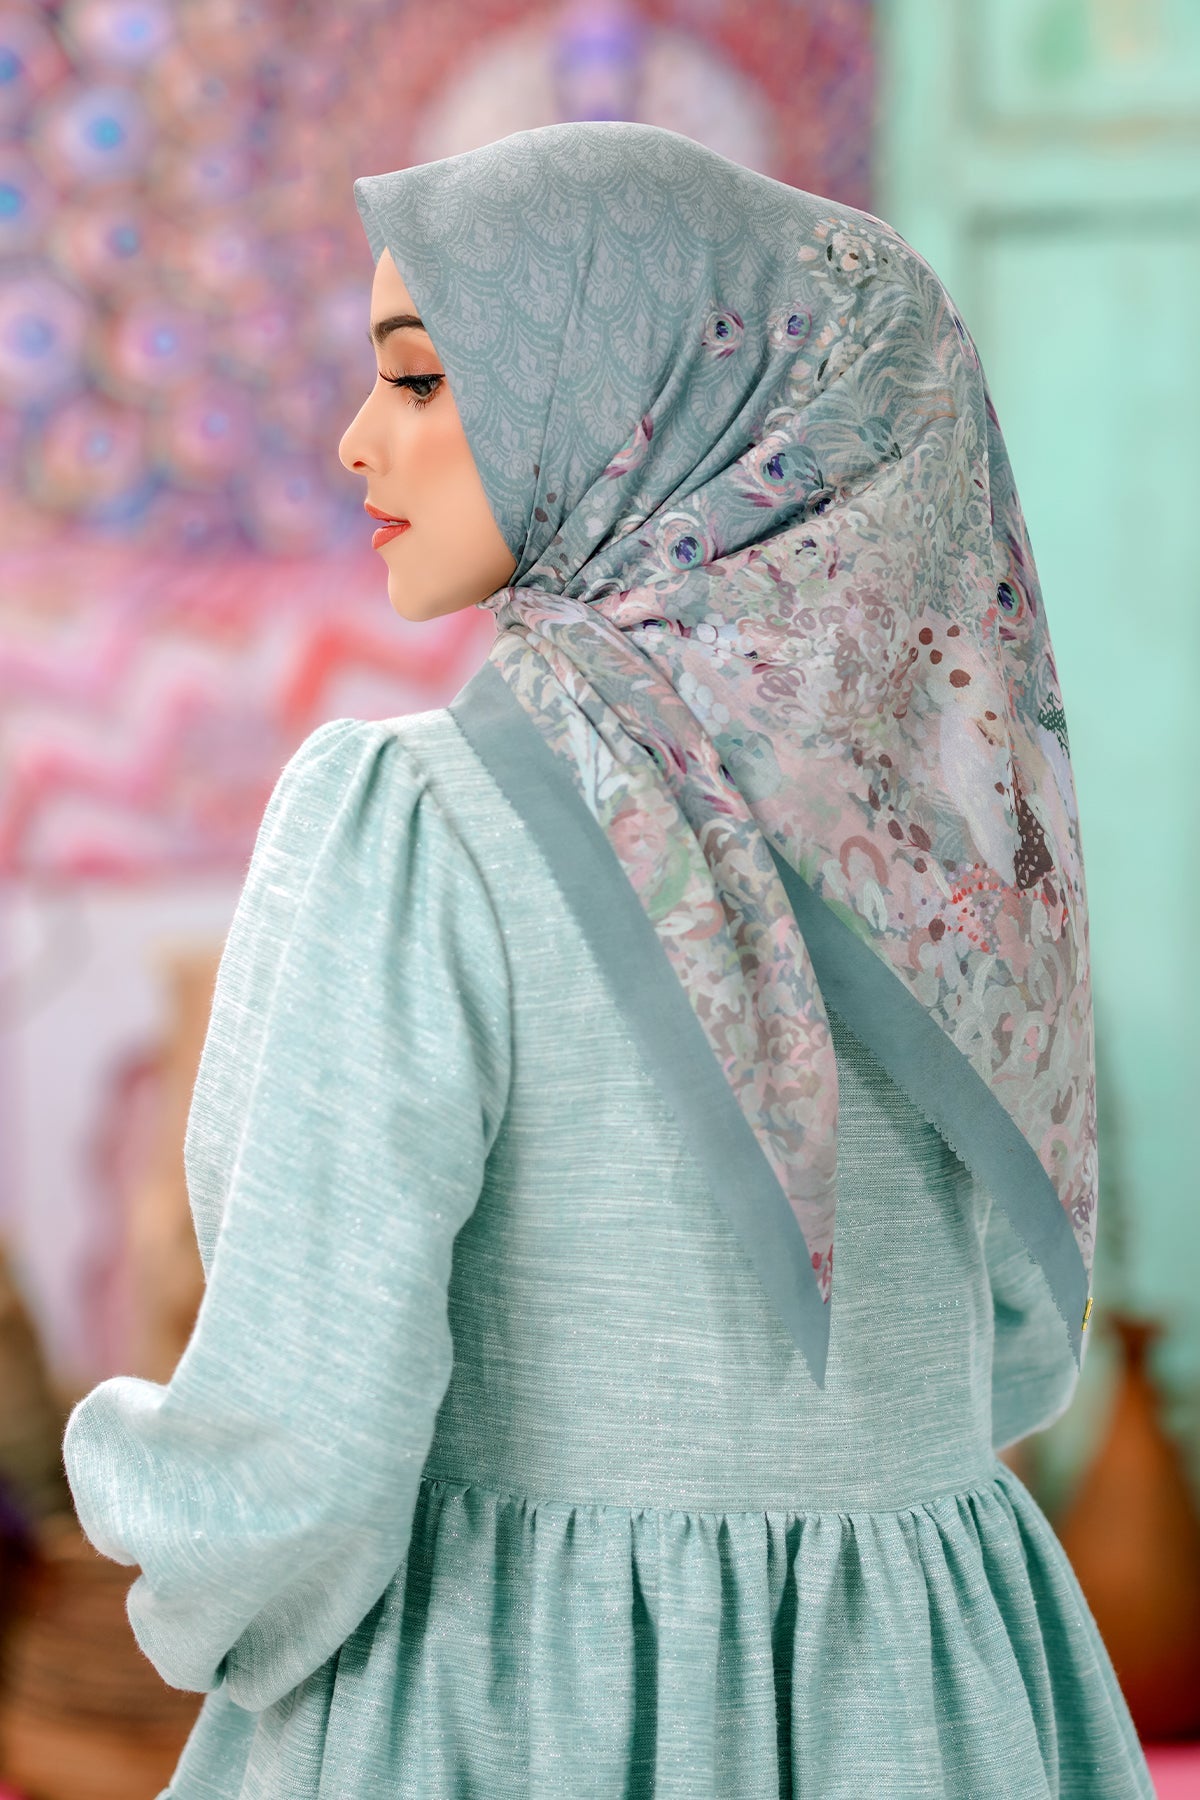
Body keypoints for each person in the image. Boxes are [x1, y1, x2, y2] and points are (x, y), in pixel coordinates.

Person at [63, 122, 1155, 1799]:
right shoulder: (942, 856)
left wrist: (165, 1541)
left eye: (421, 379)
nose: (359, 438)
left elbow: (300, 1455)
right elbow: (1006, 1350)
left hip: (517, 1701)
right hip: (928, 1694)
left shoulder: (412, 825)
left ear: (636, 401)